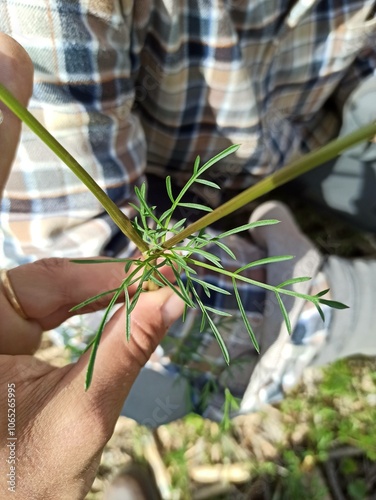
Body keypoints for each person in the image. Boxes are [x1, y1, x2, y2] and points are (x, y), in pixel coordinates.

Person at [1, 0, 376, 475]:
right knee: (157, 390)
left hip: (303, 128)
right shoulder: (40, 13)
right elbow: (73, 260)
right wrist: (354, 301)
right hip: (156, 195)